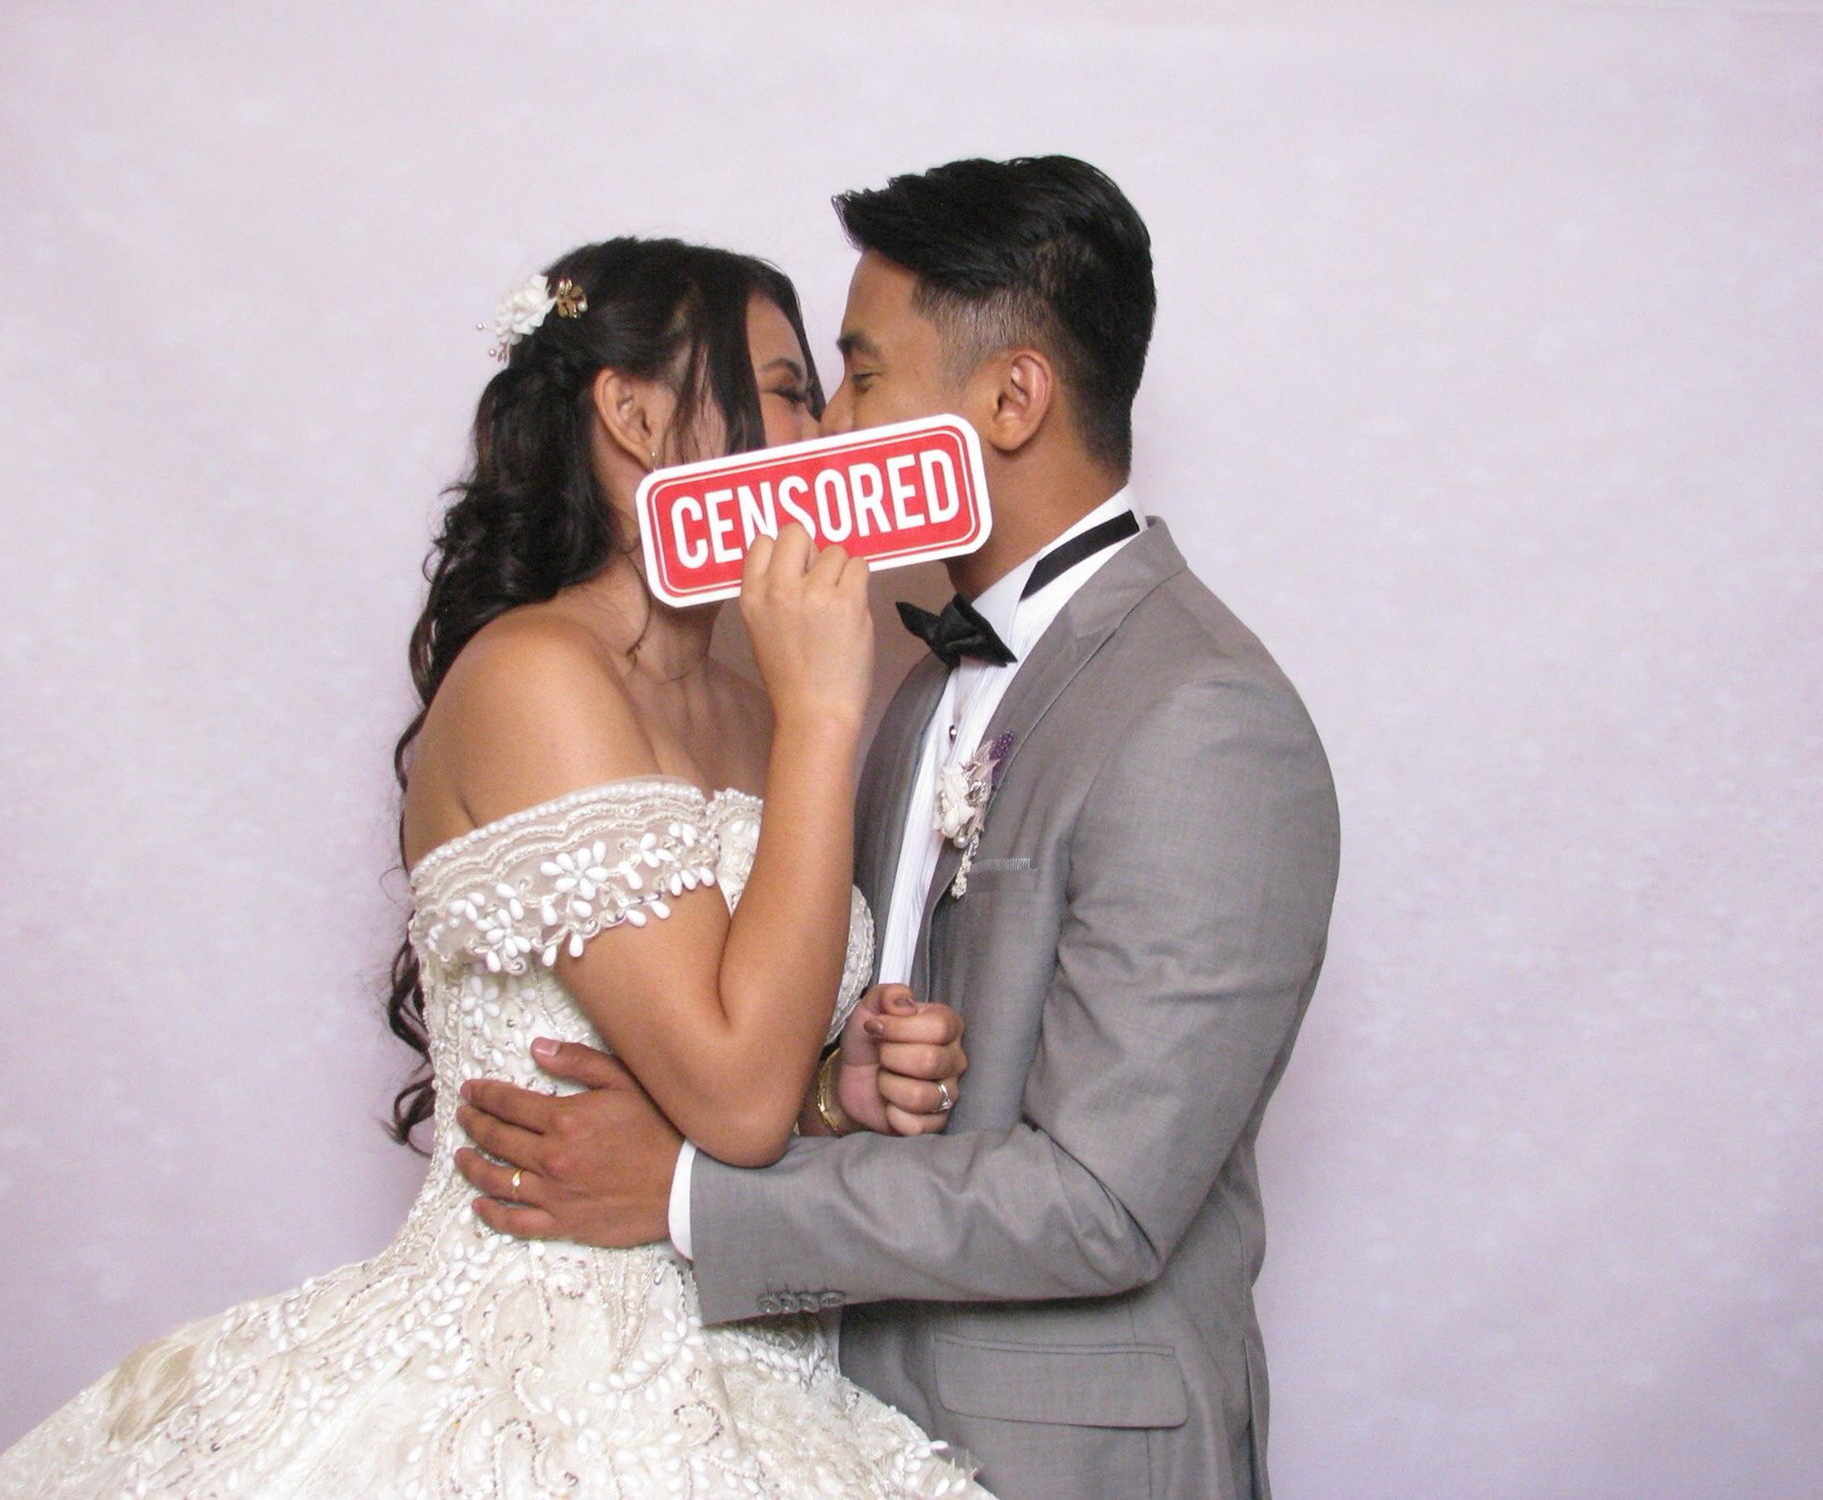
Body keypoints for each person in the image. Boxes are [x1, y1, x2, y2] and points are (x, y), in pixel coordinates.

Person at [0, 237, 990, 1498]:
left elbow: (754, 1074)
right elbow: (731, 1097)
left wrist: (841, 1092)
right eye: (785, 391)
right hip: (541, 1382)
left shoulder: (751, 697)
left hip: (764, 1360)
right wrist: (827, 716)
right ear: (633, 415)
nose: (824, 436)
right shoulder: (536, 678)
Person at [453, 158, 1342, 1500]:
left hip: (1066, 1459)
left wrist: (687, 1193)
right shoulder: (909, 682)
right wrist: (848, 1080)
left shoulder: (1203, 715)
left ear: (1011, 400)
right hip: (826, 1419)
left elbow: (1102, 1202)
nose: (822, 434)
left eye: (857, 379)